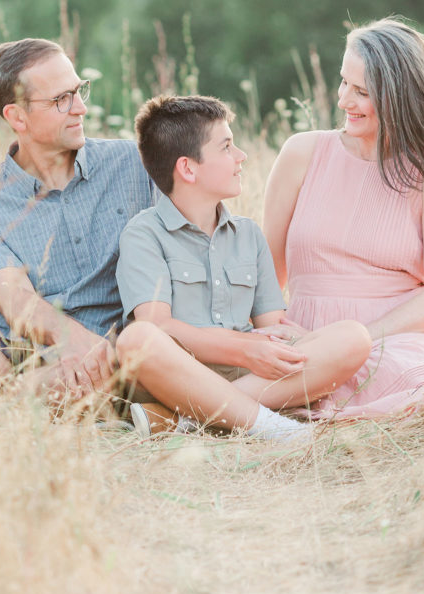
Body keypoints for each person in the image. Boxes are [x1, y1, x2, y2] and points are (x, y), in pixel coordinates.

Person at [263, 18, 424, 420]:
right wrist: (277, 335)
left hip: (396, 341)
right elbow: (266, 273)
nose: (344, 100)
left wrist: (352, 341)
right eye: (344, 82)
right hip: (303, 332)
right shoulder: (302, 154)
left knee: (415, 386)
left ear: (401, 99)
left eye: (361, 91)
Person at [113, 95, 371, 440]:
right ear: (188, 168)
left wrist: (303, 341)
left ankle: (188, 420)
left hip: (247, 378)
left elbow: (272, 326)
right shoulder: (144, 234)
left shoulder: (248, 235)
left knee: (353, 337)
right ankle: (275, 428)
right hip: (175, 377)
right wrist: (245, 348)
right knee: (136, 338)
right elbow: (159, 326)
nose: (241, 157)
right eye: (226, 147)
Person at [0, 38, 156, 408]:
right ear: (17, 117)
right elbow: (13, 298)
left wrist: (99, 352)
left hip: (109, 348)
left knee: (64, 382)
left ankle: (5, 411)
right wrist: (74, 341)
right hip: (18, 346)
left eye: (79, 91)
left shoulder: (135, 165)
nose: (81, 108)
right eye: (60, 100)